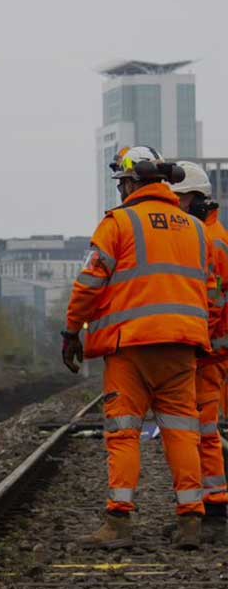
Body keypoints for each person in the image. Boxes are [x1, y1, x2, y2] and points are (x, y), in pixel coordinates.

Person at [63, 146, 217, 550]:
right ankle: (190, 520)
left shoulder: (118, 224)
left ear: (132, 183)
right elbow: (206, 288)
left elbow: (90, 282)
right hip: (182, 346)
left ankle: (119, 521)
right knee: (183, 430)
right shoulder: (194, 228)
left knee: (124, 431)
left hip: (131, 345)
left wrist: (70, 330)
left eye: (122, 184)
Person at [170, 161, 228, 538]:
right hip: (208, 349)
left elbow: (214, 302)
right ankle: (211, 507)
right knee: (201, 431)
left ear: (194, 198)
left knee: (202, 431)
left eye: (178, 199)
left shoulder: (211, 240)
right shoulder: (206, 234)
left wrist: (194, 339)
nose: (173, 206)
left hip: (209, 353)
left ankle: (215, 512)